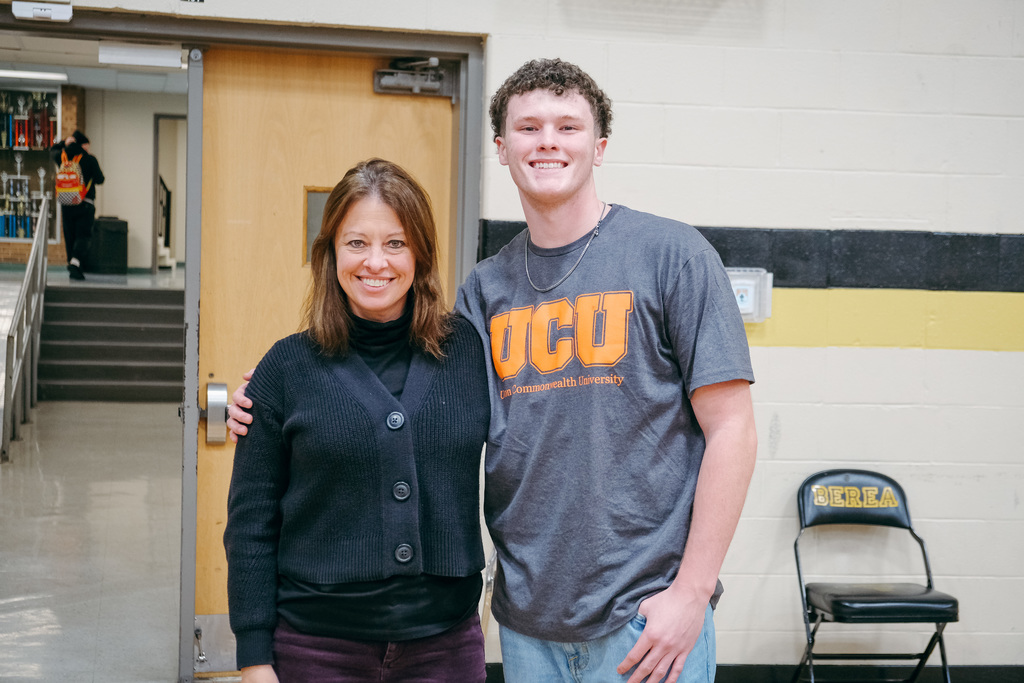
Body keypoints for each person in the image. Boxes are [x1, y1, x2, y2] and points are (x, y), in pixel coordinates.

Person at [231, 59, 757, 683]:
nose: (548, 142)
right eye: (529, 128)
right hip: (527, 623)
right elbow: (404, 394)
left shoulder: (674, 256)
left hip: (647, 620)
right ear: (503, 149)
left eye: (568, 126)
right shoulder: (484, 290)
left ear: (601, 145)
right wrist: (267, 399)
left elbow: (733, 430)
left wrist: (692, 594)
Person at [222, 158, 490, 683]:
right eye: (356, 243)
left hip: (445, 650)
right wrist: (254, 659)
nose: (376, 262)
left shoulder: (467, 353)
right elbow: (251, 526)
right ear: (330, 254)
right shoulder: (285, 368)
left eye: (395, 243)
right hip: (316, 650)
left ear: (420, 253)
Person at [50, 130, 104, 280]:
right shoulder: (90, 159)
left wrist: (64, 143)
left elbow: (52, 149)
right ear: (83, 144)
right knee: (83, 235)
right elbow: (100, 179)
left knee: (70, 235)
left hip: (66, 204)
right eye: (88, 145)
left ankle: (73, 264)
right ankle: (75, 263)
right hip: (85, 203)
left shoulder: (62, 157)